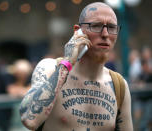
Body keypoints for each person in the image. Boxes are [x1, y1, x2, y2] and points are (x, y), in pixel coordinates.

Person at [19, 2, 133, 131]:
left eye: (112, 27)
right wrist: (67, 63)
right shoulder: (50, 68)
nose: (105, 34)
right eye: (96, 26)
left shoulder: (119, 85)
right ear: (78, 31)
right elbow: (29, 120)